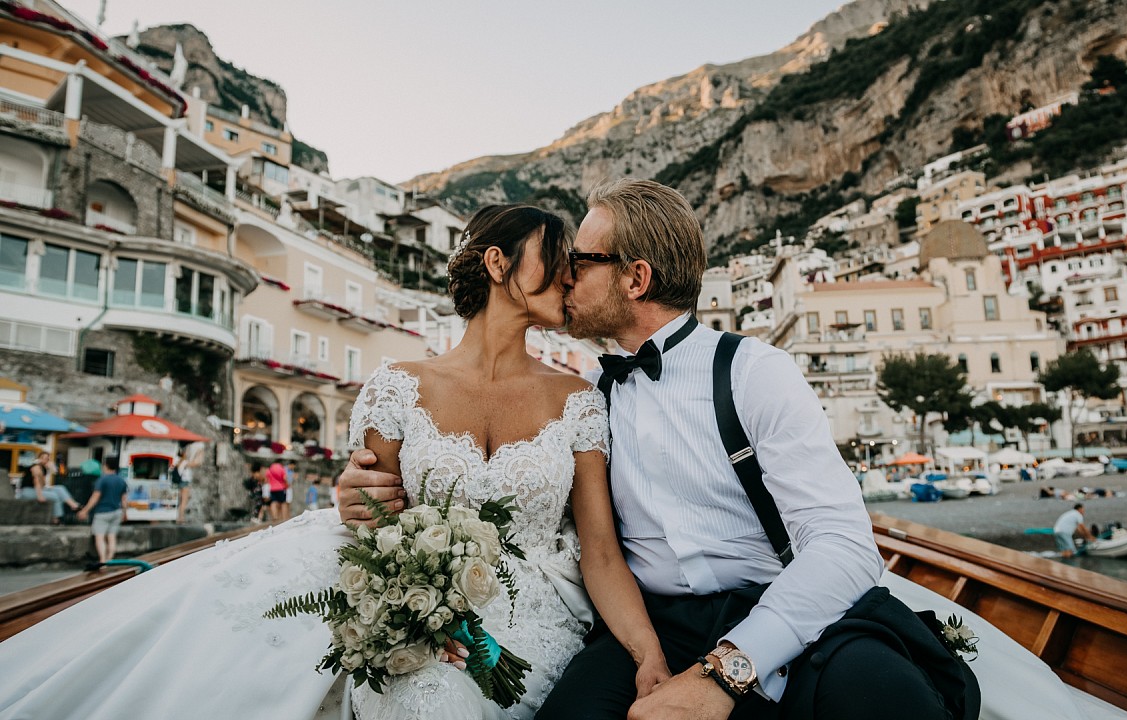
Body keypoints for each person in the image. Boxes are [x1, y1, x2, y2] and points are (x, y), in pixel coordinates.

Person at [343, 179, 973, 720]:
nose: (565, 274)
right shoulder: (588, 396)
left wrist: (726, 671)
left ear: (635, 278)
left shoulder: (755, 373)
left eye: (581, 261)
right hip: (653, 621)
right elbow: (538, 513)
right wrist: (363, 492)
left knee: (887, 701)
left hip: (780, 602)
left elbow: (842, 545)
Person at [0, 203, 646, 720]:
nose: (569, 273)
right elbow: (370, 511)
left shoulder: (577, 398)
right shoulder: (397, 385)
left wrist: (652, 662)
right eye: (557, 256)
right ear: (500, 263)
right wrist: (394, 569)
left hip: (539, 613)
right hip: (423, 609)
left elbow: (601, 552)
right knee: (431, 702)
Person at [76, 456, 128, 564]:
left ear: (105, 465)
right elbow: (124, 499)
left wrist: (85, 510)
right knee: (112, 537)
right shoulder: (121, 480)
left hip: (103, 511)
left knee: (100, 537)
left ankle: (103, 560)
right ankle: (110, 560)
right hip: (117, 512)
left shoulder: (102, 480)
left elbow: (95, 497)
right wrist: (125, 512)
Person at [17, 451, 80, 524]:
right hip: (27, 491)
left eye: (47, 459)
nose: (45, 460)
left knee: (60, 488)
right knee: (55, 496)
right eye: (43, 458)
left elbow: (42, 484)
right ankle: (56, 519)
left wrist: (50, 469)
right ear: (39, 458)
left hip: (37, 489)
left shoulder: (43, 469)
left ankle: (74, 506)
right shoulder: (36, 467)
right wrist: (40, 495)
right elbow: (36, 481)